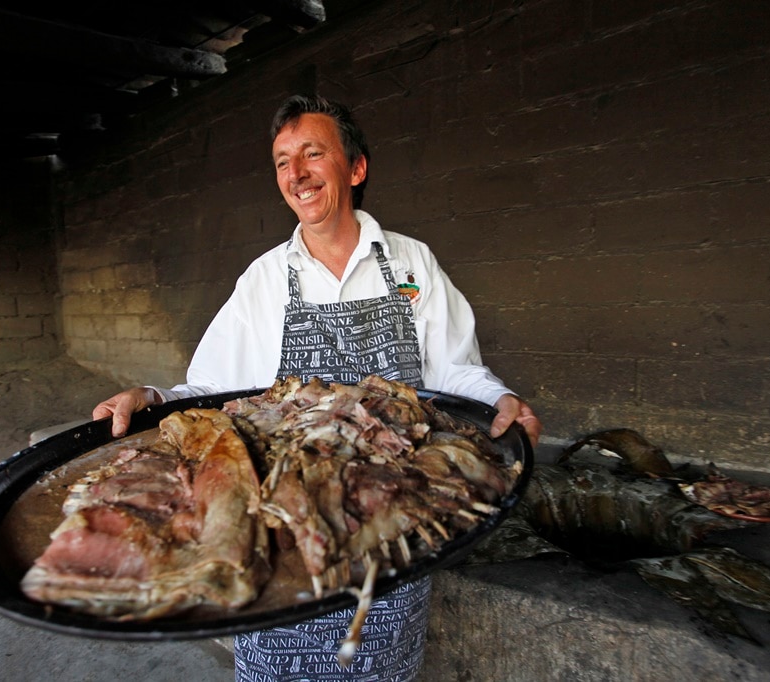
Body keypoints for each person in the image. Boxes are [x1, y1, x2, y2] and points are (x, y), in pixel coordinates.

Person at [94, 94, 541, 681]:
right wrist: (150, 398)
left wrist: (498, 399)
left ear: (355, 169)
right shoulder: (264, 280)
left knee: (380, 668)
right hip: (287, 532)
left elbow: (452, 370)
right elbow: (208, 388)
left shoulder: (411, 263)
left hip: (390, 519)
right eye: (282, 161)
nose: (296, 175)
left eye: (312, 154)